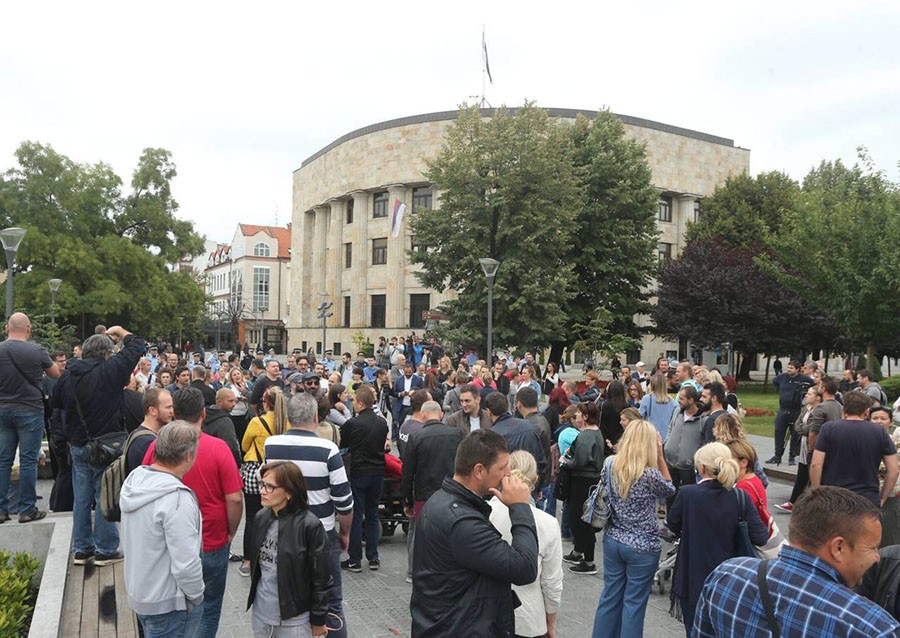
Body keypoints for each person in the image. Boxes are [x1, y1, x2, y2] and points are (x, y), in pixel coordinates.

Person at [695, 487, 899, 637]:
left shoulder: (727, 574)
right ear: (838, 548)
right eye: (872, 547)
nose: (877, 557)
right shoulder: (872, 627)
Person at [410, 429, 538, 637]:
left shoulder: (443, 499)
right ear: (479, 470)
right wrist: (521, 507)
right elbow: (524, 568)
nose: (508, 474)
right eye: (503, 467)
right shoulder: (462, 522)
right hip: (460, 628)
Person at [142, 387, 244, 638]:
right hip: (212, 540)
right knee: (208, 609)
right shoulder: (219, 448)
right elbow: (234, 498)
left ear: (174, 413)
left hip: (169, 545)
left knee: (174, 611)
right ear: (203, 413)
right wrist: (231, 531)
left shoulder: (156, 448)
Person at [264, 392, 353, 638]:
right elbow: (344, 501)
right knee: (330, 599)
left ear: (290, 417)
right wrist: (344, 533)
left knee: (287, 594)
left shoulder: (271, 445)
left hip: (283, 531)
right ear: (315, 417)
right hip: (321, 534)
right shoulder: (328, 449)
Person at [54, 326, 144, 563]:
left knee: (81, 498)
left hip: (78, 444)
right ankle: (105, 550)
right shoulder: (109, 371)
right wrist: (121, 332)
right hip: (106, 443)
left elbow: (56, 403)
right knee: (105, 493)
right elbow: (137, 346)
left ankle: (82, 549)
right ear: (106, 353)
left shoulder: (68, 375)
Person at [666, 441, 768, 634]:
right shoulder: (740, 497)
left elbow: (672, 527)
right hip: (732, 580)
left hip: (693, 578)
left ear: (701, 467)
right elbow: (760, 537)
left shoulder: (688, 494)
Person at [121, 421, 204, 638]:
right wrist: (197, 595)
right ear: (188, 455)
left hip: (142, 595)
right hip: (169, 604)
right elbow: (186, 562)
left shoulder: (135, 481)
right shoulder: (177, 498)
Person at [592, 420, 674, 638]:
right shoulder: (650, 475)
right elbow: (669, 489)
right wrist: (660, 456)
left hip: (613, 537)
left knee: (610, 597)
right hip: (643, 545)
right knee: (634, 603)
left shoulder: (610, 463)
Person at [246, 461, 331, 638]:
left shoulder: (309, 525)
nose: (262, 490)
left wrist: (318, 620)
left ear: (289, 492)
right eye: (263, 484)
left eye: (270, 487)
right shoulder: (261, 517)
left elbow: (321, 578)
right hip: (261, 613)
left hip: (294, 618)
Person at [489, 450, 563, 638]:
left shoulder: (483, 513)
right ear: (535, 479)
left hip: (486, 616)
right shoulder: (548, 523)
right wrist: (551, 622)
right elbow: (552, 582)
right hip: (529, 618)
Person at [0, 312, 60, 523]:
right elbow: (55, 374)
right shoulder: (36, 350)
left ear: (7, 328)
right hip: (30, 410)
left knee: (3, 461)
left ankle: (1, 510)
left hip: (3, 411)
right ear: (29, 329)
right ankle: (26, 509)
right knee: (28, 460)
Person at [402, 401, 463, 583]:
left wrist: (408, 500)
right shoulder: (457, 434)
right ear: (441, 415)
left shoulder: (417, 437)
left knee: (420, 533)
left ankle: (414, 571)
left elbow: (408, 472)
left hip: (424, 494)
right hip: (451, 492)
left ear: (422, 415)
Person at [810, 391, 898, 506]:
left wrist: (817, 493)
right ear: (866, 412)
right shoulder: (879, 432)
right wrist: (882, 498)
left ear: (844, 409)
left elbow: (816, 465)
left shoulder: (828, 428)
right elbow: (894, 470)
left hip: (833, 497)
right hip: (867, 498)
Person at [239, 385, 289, 576]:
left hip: (257, 472)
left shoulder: (257, 422)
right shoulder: (288, 423)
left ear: (266, 403)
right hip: (280, 473)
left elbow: (244, 445)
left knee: (252, 517)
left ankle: (248, 560)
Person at [340, 385, 389, 572]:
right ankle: (373, 556)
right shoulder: (382, 422)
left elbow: (343, 445)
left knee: (356, 516)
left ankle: (354, 559)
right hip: (378, 471)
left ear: (360, 403)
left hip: (359, 472)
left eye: (354, 401)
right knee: (373, 514)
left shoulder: (352, 423)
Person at [562, 401, 605, 575]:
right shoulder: (596, 432)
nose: (576, 416)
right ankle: (579, 551)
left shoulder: (586, 435)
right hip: (591, 480)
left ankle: (588, 561)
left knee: (580, 519)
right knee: (582, 517)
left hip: (582, 482)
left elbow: (580, 461)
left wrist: (566, 461)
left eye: (579, 413)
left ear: (586, 417)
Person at [776, 385, 821, 511]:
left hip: (811, 444)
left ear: (817, 398)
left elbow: (810, 428)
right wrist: (802, 429)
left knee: (807, 475)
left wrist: (802, 429)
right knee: (801, 474)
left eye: (810, 394)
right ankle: (794, 502)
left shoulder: (818, 411)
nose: (806, 395)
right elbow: (797, 424)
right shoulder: (806, 408)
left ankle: (802, 502)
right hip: (803, 445)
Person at [769, 359, 813, 466]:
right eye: (788, 367)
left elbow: (812, 384)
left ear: (798, 369)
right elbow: (775, 381)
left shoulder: (803, 379)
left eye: (791, 368)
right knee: (779, 431)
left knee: (795, 433)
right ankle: (777, 455)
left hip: (796, 410)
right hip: (783, 409)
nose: (789, 370)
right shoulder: (782, 377)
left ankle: (792, 456)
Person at [124, 387, 174, 476]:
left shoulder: (138, 435)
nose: (172, 412)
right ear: (152, 410)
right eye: (168, 407)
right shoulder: (147, 443)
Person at [639, 373, 677, 440]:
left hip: (650, 435)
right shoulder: (673, 402)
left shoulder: (647, 399)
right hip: (667, 437)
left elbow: (640, 415)